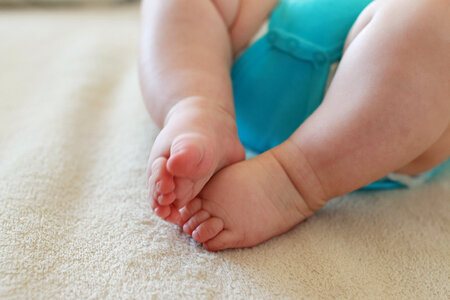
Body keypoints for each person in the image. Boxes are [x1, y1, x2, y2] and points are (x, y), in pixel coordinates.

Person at [139, 0, 450, 251]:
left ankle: (293, 180)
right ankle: (198, 104)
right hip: (255, 44)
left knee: (436, 19)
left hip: (379, 120)